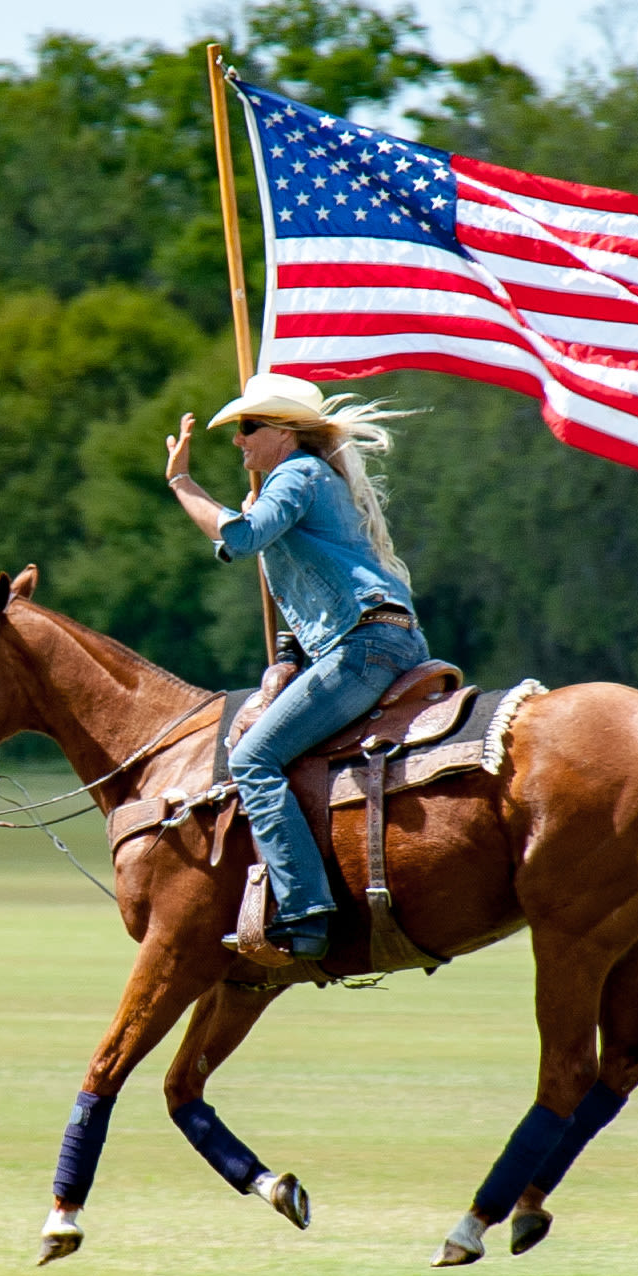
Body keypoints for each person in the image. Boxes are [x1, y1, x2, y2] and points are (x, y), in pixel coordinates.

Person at [164, 371, 428, 963]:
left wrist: (182, 482)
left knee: (253, 758)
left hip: (362, 645)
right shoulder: (308, 478)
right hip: (385, 638)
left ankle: (307, 912)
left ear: (283, 433)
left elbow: (241, 538)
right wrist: (288, 657)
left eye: (248, 427)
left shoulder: (298, 473)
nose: (239, 440)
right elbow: (304, 584)